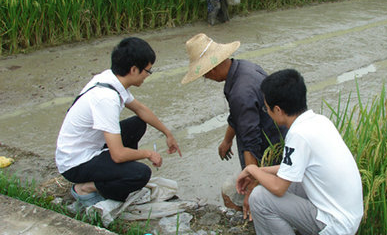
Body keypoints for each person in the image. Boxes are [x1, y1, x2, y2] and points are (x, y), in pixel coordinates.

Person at [55, 37, 182, 208]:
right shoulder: (106, 98)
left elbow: (141, 110)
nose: (147, 76)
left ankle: (117, 174)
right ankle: (86, 187)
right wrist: (148, 154)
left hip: (91, 147)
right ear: (134, 69)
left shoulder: (112, 79)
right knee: (141, 174)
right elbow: (118, 154)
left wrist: (168, 133)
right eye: (148, 71)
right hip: (75, 163)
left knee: (137, 123)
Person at [236, 69, 364, 235]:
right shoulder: (320, 121)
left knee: (259, 197)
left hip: (336, 226)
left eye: (266, 108)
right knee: (289, 179)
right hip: (348, 217)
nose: (266, 112)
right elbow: (292, 169)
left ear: (278, 110)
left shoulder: (298, 134)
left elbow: (278, 188)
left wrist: (252, 169)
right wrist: (259, 171)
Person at [181, 33, 287, 218]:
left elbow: (250, 141)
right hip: (279, 141)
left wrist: (251, 187)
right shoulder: (245, 68)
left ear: (212, 69)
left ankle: (253, 219)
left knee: (229, 191)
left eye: (205, 74)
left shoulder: (240, 92)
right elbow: (238, 115)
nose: (207, 78)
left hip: (268, 151)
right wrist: (227, 140)